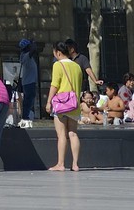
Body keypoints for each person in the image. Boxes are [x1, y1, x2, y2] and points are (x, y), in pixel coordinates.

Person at [46, 39, 84, 171]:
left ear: (58, 52)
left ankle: (60, 164)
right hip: (74, 104)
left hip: (61, 105)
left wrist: (48, 101)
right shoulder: (77, 66)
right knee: (73, 133)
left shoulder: (58, 65)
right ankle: (75, 164)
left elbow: (54, 85)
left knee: (61, 135)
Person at [17, 39, 39, 122]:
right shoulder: (26, 56)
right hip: (29, 82)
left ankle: (26, 115)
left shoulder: (24, 56)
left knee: (28, 100)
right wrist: (33, 43)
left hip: (28, 82)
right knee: (28, 100)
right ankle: (25, 116)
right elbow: (33, 49)